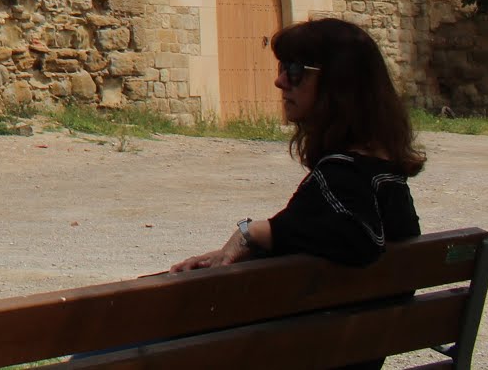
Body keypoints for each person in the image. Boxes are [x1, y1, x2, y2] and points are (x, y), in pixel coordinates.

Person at [174, 17, 424, 274]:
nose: (280, 81)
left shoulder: (341, 175)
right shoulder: (385, 174)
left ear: (337, 83)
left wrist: (252, 231)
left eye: (295, 71)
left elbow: (359, 240)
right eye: (283, 67)